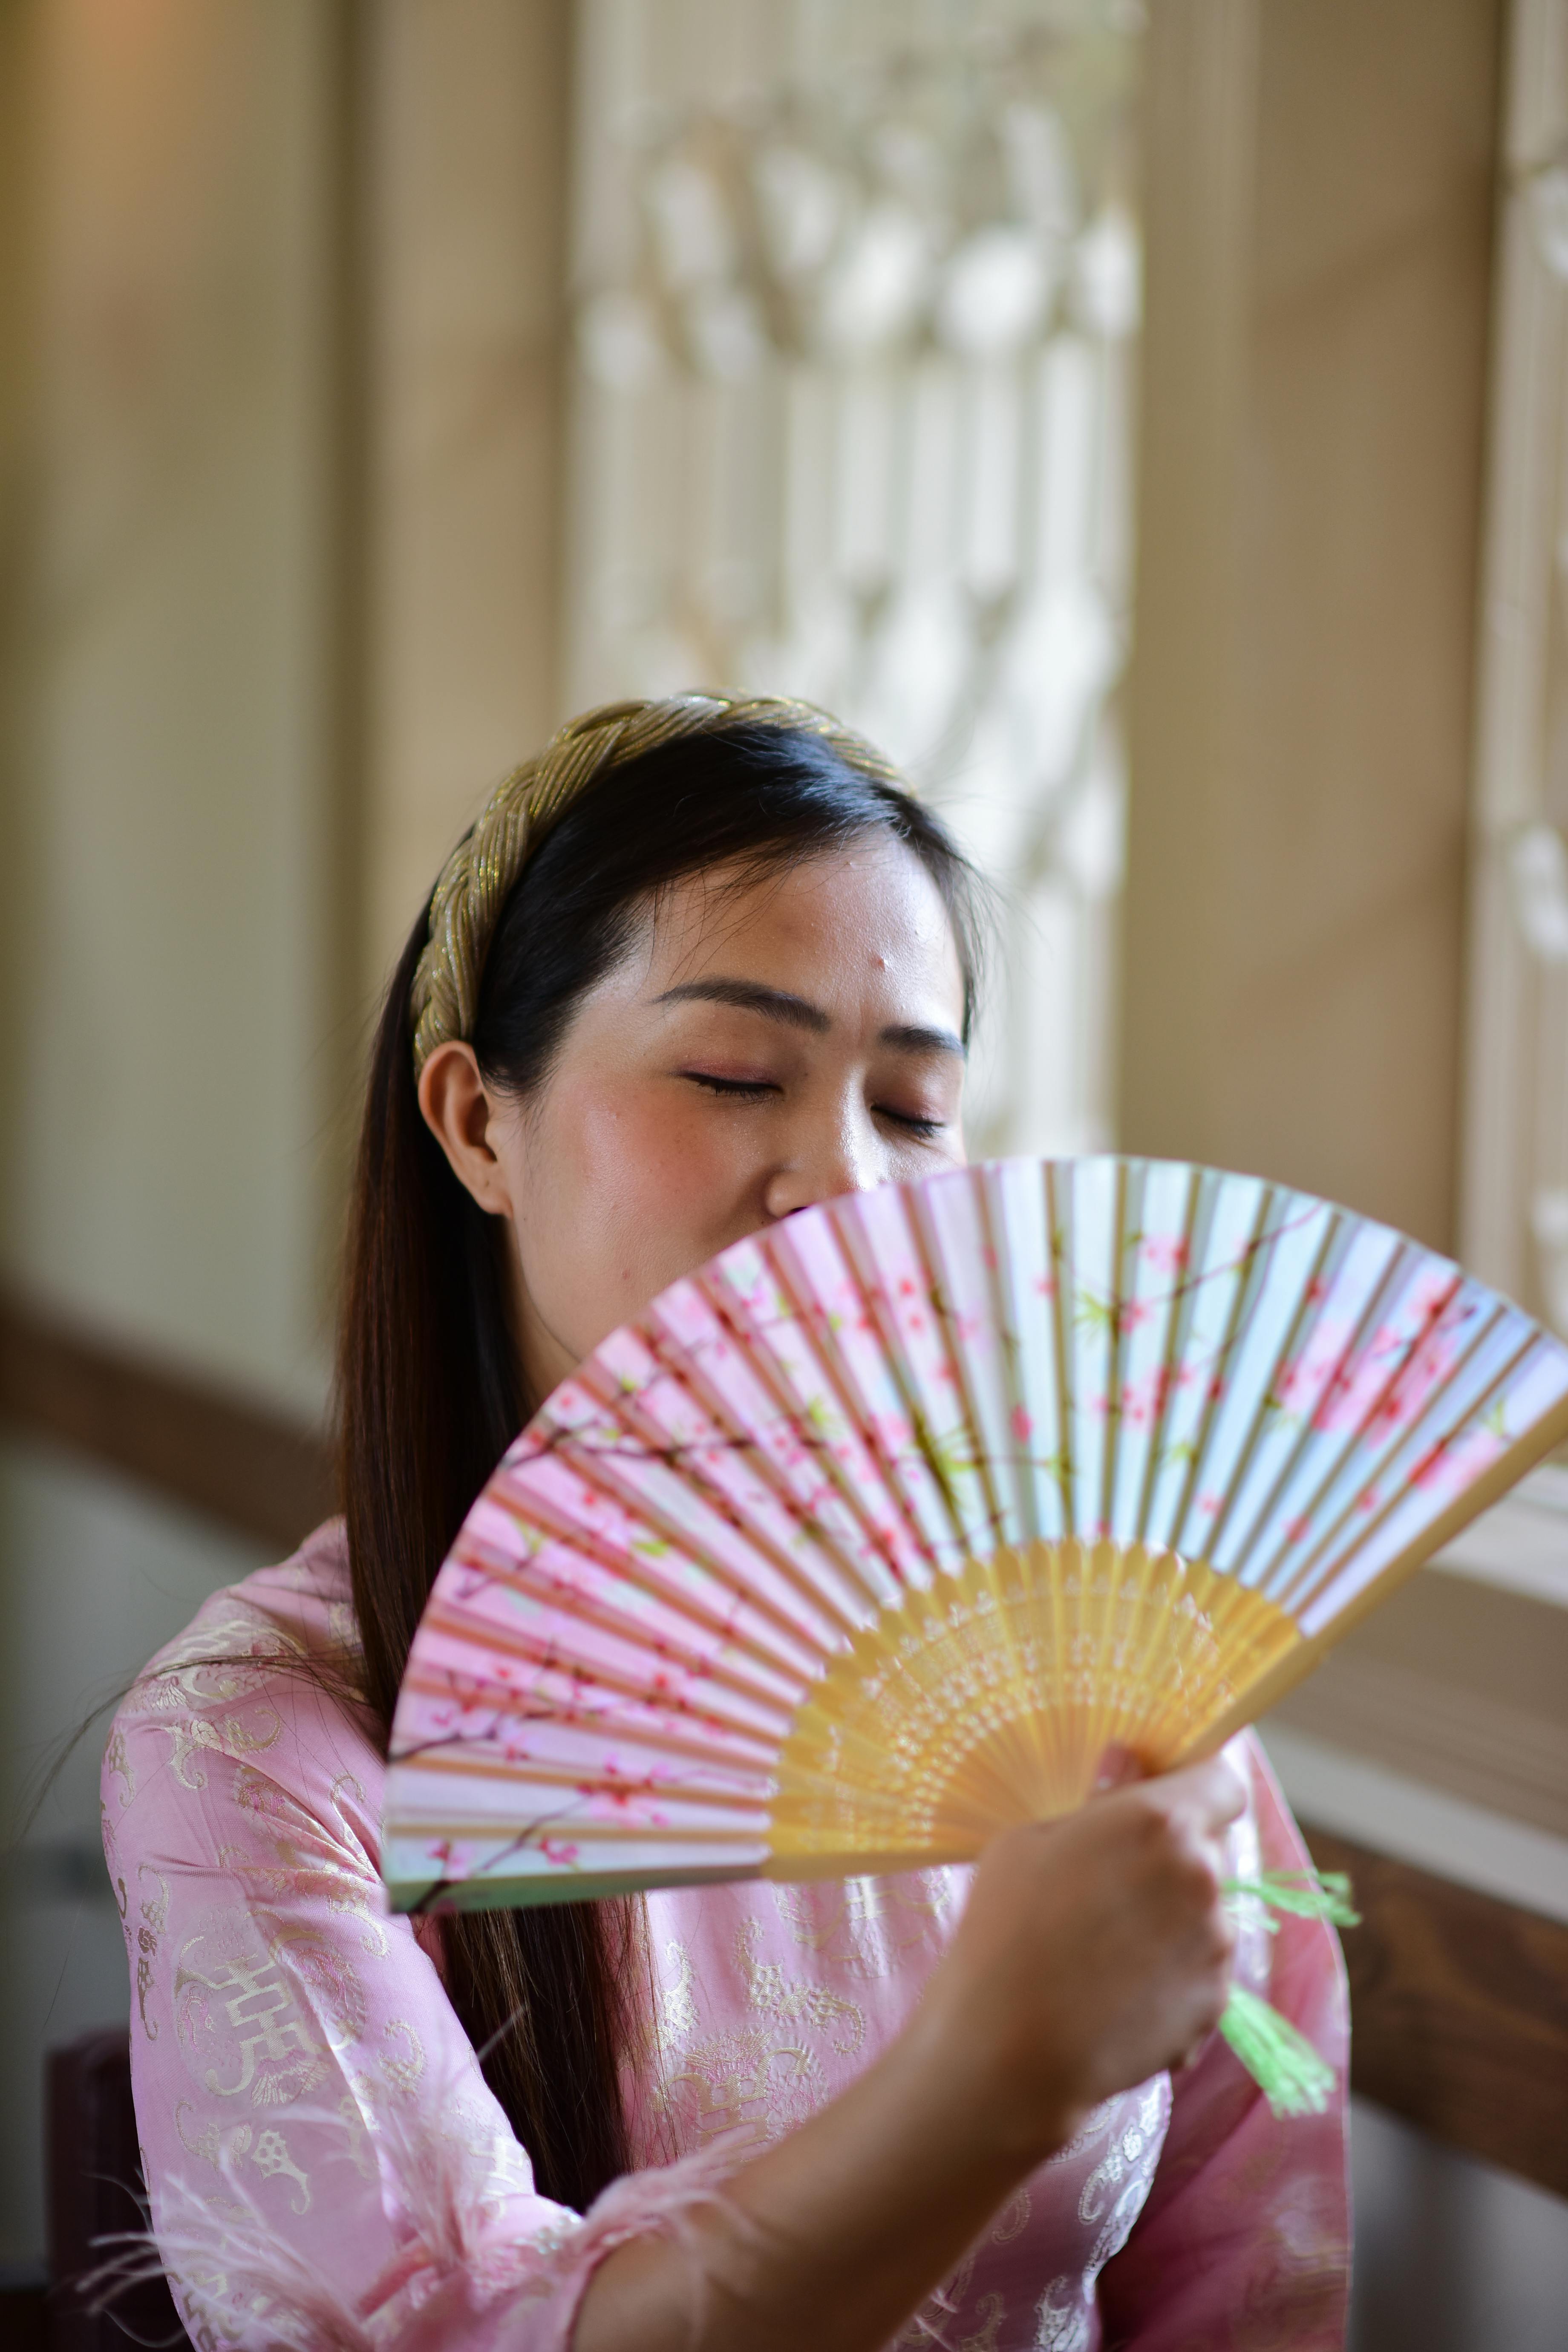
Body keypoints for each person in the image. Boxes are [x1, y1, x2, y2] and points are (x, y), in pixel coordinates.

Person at [104, 696, 1349, 2352]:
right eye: (733, 1073)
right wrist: (984, 2074)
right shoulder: (261, 1746)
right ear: (479, 1121)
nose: (844, 1184)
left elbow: (1256, 2281)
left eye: (910, 1109)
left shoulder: (1096, 1683)